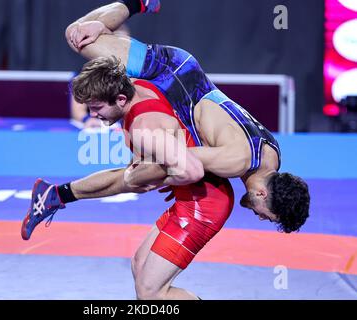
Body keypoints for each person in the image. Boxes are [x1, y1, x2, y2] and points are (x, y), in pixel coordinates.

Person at [21, 0, 309, 299]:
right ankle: (138, 3)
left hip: (184, 75)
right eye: (267, 216)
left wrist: (172, 172)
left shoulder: (271, 153)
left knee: (141, 190)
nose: (260, 217)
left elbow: (186, 161)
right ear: (263, 194)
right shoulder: (235, 162)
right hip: (170, 76)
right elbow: (182, 164)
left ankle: (58, 195)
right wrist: (170, 174)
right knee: (78, 34)